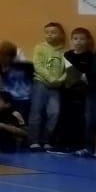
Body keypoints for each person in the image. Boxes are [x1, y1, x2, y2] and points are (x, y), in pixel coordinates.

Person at [30, 22, 71, 152]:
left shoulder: (65, 52)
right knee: (36, 112)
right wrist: (50, 78)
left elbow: (68, 70)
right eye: (47, 32)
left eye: (53, 32)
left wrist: (60, 80)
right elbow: (37, 65)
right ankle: (34, 141)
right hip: (40, 83)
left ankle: (46, 140)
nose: (49, 35)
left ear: (61, 35)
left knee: (54, 113)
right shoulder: (39, 48)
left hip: (56, 86)